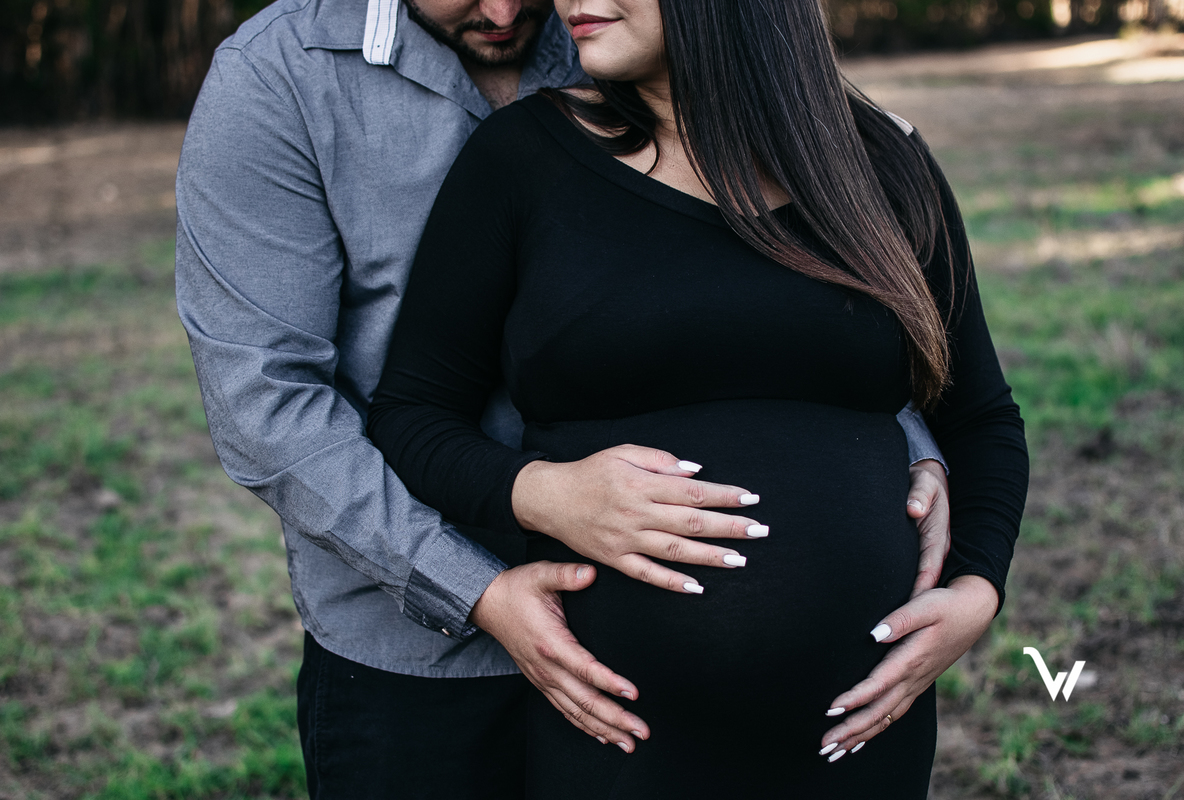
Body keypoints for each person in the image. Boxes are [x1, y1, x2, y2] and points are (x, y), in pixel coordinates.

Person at [175, 0, 956, 795]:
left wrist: (910, 453)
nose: (509, 8)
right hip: (422, 648)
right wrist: (477, 586)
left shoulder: (620, 37)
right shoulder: (280, 76)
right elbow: (265, 405)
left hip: (674, 686)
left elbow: (774, 301)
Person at [365, 0, 1029, 796]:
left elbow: (981, 415)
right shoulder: (522, 159)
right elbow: (411, 414)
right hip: (621, 737)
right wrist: (543, 493)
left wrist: (979, 588)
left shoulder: (881, 162)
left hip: (855, 740)